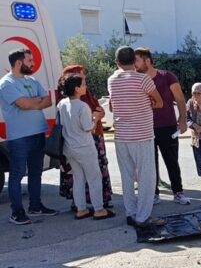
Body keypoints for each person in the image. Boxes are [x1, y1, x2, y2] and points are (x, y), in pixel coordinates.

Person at [0, 48, 58, 224]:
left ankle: (35, 206)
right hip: (19, 137)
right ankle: (17, 212)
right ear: (19, 63)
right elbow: (23, 104)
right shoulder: (6, 84)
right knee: (17, 174)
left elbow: (48, 100)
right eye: (30, 60)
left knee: (36, 172)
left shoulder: (32, 80)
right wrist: (34, 103)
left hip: (37, 133)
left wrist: (31, 103)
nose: (33, 63)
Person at [108, 46, 163, 227]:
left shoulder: (112, 80)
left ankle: (131, 213)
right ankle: (143, 216)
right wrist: (146, 104)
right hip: (142, 134)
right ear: (135, 61)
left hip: (121, 135)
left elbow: (112, 106)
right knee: (147, 177)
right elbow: (159, 102)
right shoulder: (143, 79)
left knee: (127, 176)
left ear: (117, 63)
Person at [133, 48, 190, 205]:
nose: (134, 64)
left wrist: (183, 120)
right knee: (149, 164)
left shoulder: (167, 77)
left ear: (147, 61)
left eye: (137, 60)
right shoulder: (136, 79)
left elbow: (179, 99)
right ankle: (154, 193)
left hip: (167, 126)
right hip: (146, 128)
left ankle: (178, 192)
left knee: (172, 161)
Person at [57, 73, 115, 220]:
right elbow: (88, 127)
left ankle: (81, 208)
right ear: (76, 88)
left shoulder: (62, 104)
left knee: (78, 178)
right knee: (94, 178)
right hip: (84, 147)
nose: (85, 86)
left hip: (69, 148)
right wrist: (96, 118)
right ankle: (99, 209)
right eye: (83, 84)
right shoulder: (83, 106)